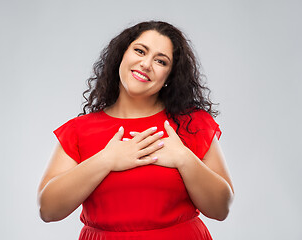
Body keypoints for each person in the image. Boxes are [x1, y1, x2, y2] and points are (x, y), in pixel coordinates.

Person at [38, 20, 234, 240]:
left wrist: (184, 159)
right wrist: (107, 160)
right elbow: (48, 210)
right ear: (121, 55)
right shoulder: (78, 131)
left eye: (161, 61)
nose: (146, 64)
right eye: (140, 51)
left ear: (170, 77)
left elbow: (220, 209)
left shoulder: (193, 124)